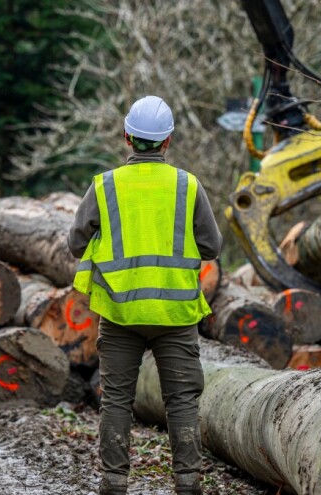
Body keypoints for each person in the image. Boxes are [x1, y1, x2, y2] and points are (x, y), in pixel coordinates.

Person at [69, 95, 222, 495]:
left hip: (120, 313)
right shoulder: (188, 186)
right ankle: (188, 482)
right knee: (182, 400)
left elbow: (74, 243)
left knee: (117, 400)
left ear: (127, 137)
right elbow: (212, 247)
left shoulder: (104, 186)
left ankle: (115, 482)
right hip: (175, 314)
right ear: (168, 140)